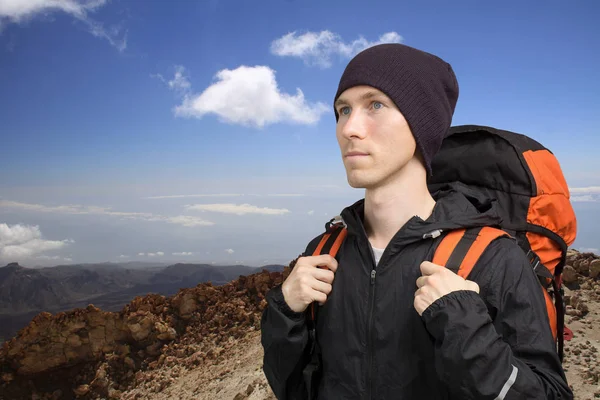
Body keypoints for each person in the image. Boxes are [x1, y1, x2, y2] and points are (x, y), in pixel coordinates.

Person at [260, 43, 573, 399]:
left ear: (421, 123)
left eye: (375, 105)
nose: (349, 128)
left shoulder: (491, 257)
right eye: (343, 110)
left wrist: (466, 328)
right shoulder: (324, 253)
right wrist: (284, 313)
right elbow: (295, 388)